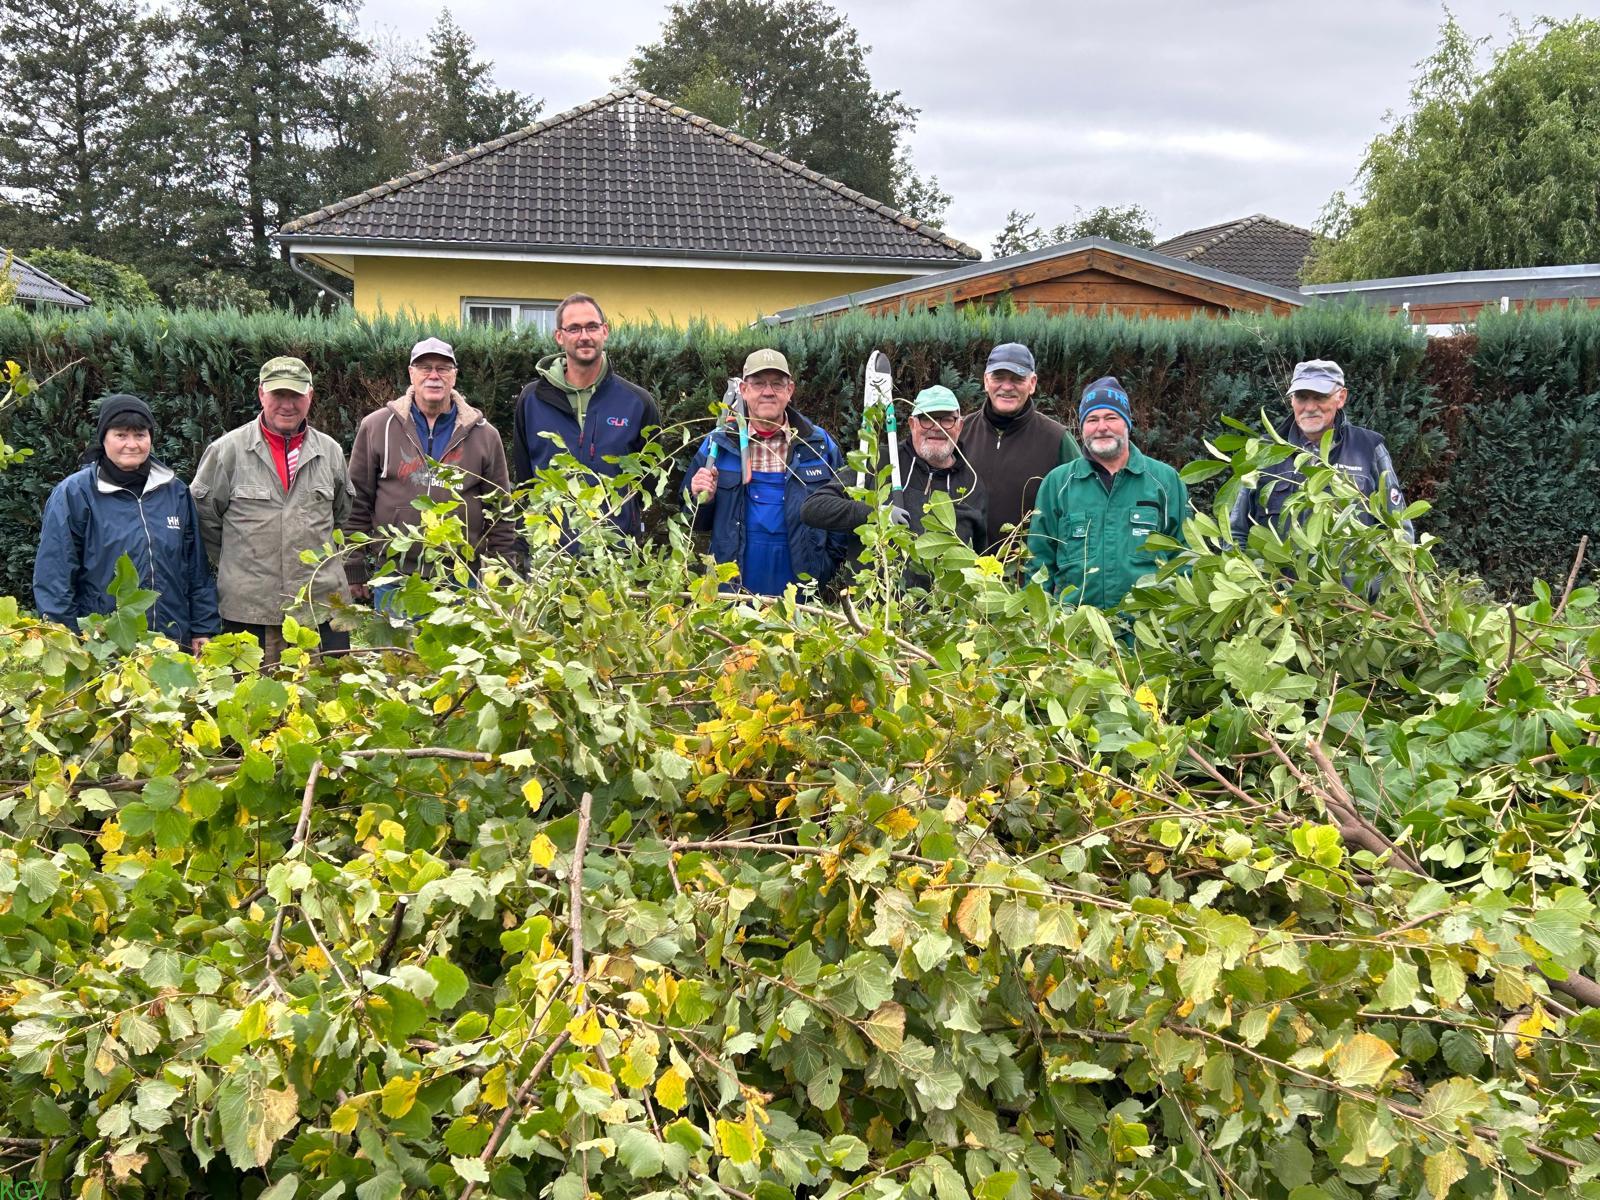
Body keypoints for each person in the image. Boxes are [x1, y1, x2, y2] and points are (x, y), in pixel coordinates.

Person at [190, 356, 352, 664]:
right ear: (262, 394)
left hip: (319, 608)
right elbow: (204, 521)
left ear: (310, 396)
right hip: (248, 610)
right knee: (250, 707)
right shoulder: (227, 452)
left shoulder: (330, 451)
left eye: (296, 395)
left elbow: (340, 516)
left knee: (328, 703)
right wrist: (244, 565)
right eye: (279, 395)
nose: (287, 404)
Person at [34, 393, 219, 651]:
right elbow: (55, 574)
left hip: (172, 641)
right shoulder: (75, 494)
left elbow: (196, 569)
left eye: (140, 435)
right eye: (121, 435)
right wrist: (67, 638)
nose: (131, 444)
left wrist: (203, 626)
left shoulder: (174, 491)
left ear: (150, 438)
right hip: (104, 645)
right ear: (104, 438)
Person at [346, 337, 517, 606]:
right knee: (396, 650)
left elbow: (500, 512)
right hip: (395, 577)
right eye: (425, 367)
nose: (434, 376)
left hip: (461, 579)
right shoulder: (377, 427)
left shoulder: (485, 435)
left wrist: (501, 575)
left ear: (454, 377)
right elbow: (356, 502)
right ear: (411, 374)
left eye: (443, 368)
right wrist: (353, 568)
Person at [683, 349, 848, 595]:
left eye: (777, 384)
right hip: (732, 587)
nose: (768, 392)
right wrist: (702, 498)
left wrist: (825, 568)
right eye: (759, 383)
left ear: (789, 390)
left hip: (800, 592)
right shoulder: (718, 445)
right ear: (744, 390)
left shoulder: (818, 445)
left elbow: (842, 513)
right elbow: (694, 519)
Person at [799, 385, 987, 589]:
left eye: (947, 419)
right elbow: (813, 508)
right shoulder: (879, 463)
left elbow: (978, 559)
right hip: (873, 615)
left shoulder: (972, 485)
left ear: (959, 426)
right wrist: (876, 514)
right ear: (912, 424)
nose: (936, 426)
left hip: (942, 616)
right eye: (927, 418)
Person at [1029, 376, 1188, 610]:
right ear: (1082, 427)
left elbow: (1185, 557)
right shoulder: (1058, 483)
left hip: (1147, 632)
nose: (1101, 427)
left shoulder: (1164, 481)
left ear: (1127, 424)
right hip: (1075, 631)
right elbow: (1038, 562)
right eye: (1092, 419)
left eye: (1111, 417)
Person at [511, 294, 659, 536]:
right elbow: (525, 478)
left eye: (592, 327)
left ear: (605, 331)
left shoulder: (637, 403)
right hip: (550, 555)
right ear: (559, 336)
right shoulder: (532, 399)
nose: (585, 336)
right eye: (574, 328)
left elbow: (648, 483)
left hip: (615, 554)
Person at [1228, 359, 1414, 546]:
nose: (1309, 407)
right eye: (1301, 397)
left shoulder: (1368, 448)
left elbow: (1398, 531)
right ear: (1292, 400)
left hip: (1347, 575)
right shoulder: (1265, 452)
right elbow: (1237, 532)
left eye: (1319, 397)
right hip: (1280, 576)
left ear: (1341, 397)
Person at [957, 342, 1082, 553]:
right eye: (998, 378)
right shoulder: (960, 433)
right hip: (966, 576)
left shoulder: (1057, 439)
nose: (1007, 386)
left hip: (1030, 577)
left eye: (1017, 379)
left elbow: (1082, 506)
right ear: (986, 381)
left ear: (1032, 383)